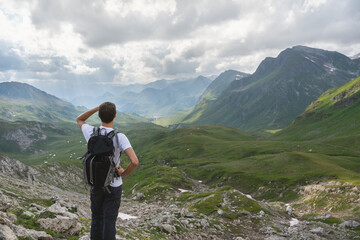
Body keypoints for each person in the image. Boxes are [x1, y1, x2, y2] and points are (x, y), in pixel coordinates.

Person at [76, 102, 139, 240]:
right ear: (115, 116)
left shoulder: (91, 132)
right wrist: (123, 173)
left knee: (96, 218)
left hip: (96, 183)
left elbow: (80, 119)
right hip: (114, 184)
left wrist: (96, 108)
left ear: (99, 115)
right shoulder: (119, 137)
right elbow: (134, 161)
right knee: (109, 221)